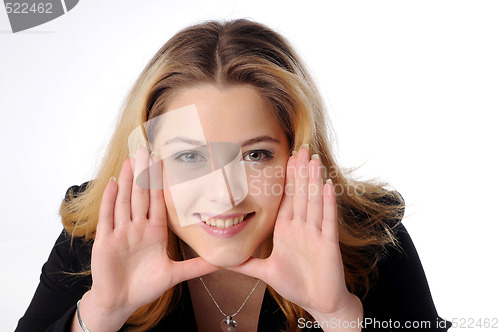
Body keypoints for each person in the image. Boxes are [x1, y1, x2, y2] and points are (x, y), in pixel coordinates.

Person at [15, 19, 451, 332]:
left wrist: (339, 317)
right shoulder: (96, 236)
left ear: (298, 156)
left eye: (256, 154)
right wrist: (101, 315)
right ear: (147, 161)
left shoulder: (370, 237)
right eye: (189, 158)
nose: (225, 195)